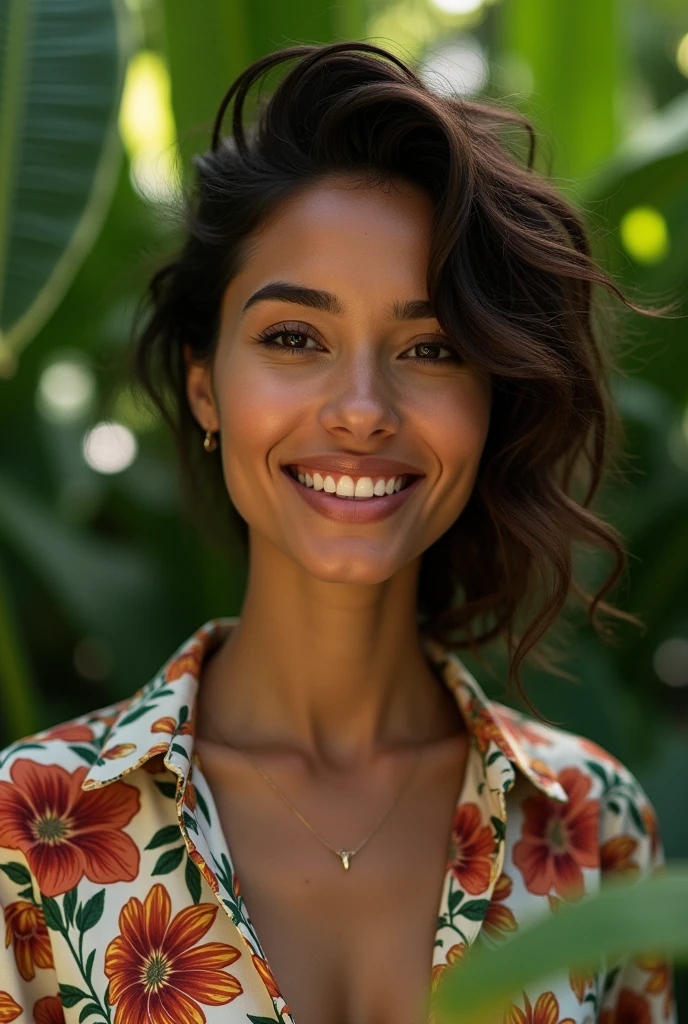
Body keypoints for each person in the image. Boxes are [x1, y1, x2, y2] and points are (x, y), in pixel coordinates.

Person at [0, 41, 676, 1024]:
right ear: (205, 385)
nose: (362, 409)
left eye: (430, 346)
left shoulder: (588, 824)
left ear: (490, 402)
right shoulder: (30, 830)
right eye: (293, 338)